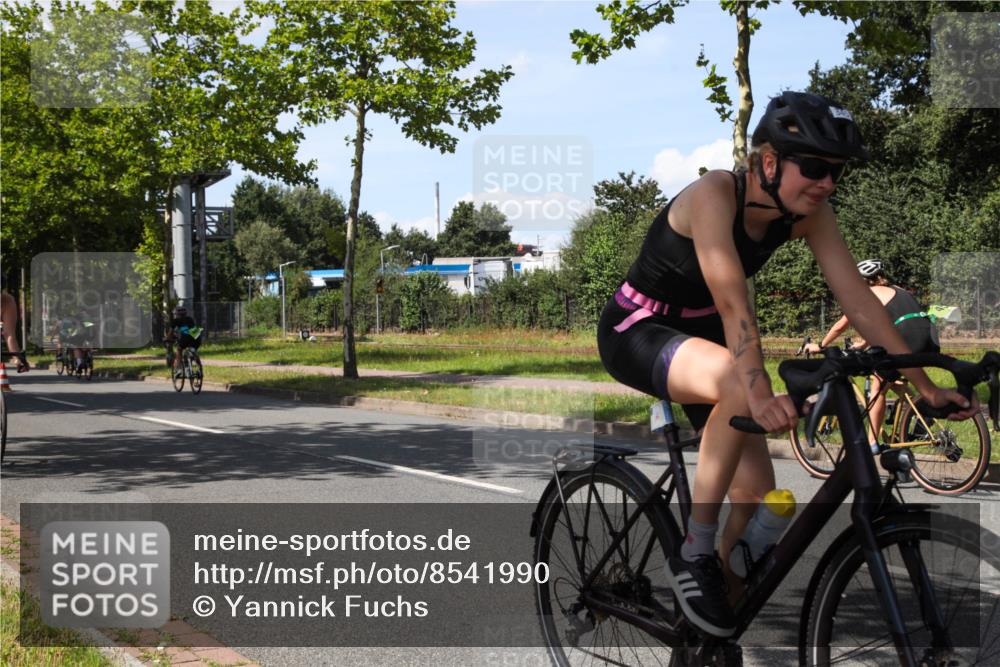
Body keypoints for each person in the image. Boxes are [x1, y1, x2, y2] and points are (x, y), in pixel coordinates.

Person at [596, 91, 978, 638]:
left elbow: (861, 303)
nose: (827, 183)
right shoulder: (713, 195)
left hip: (708, 339)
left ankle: (706, 624)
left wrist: (923, 385)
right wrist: (755, 391)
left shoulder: (808, 215)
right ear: (769, 162)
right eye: (816, 167)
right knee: (735, 377)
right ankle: (694, 551)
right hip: (638, 327)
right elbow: (732, 301)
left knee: (756, 497)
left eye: (836, 173)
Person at [804, 260, 940, 450]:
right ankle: (921, 412)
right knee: (893, 380)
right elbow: (888, 321)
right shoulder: (898, 289)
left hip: (907, 337)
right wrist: (864, 344)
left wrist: (819, 346)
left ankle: (872, 442)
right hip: (929, 337)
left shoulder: (867, 293)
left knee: (877, 384)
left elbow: (841, 325)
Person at [1, 291, 30, 372]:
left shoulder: (7, 300)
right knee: (10, 334)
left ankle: (18, 361)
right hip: (6, 301)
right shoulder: (8, 300)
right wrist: (18, 359)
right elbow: (9, 335)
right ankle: (18, 361)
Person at [166, 305, 200, 374]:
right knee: (192, 350)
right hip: (197, 336)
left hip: (186, 337)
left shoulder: (176, 321)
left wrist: (167, 339)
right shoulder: (190, 319)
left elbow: (170, 333)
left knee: (179, 349)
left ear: (176, 314)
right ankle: (198, 367)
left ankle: (179, 368)